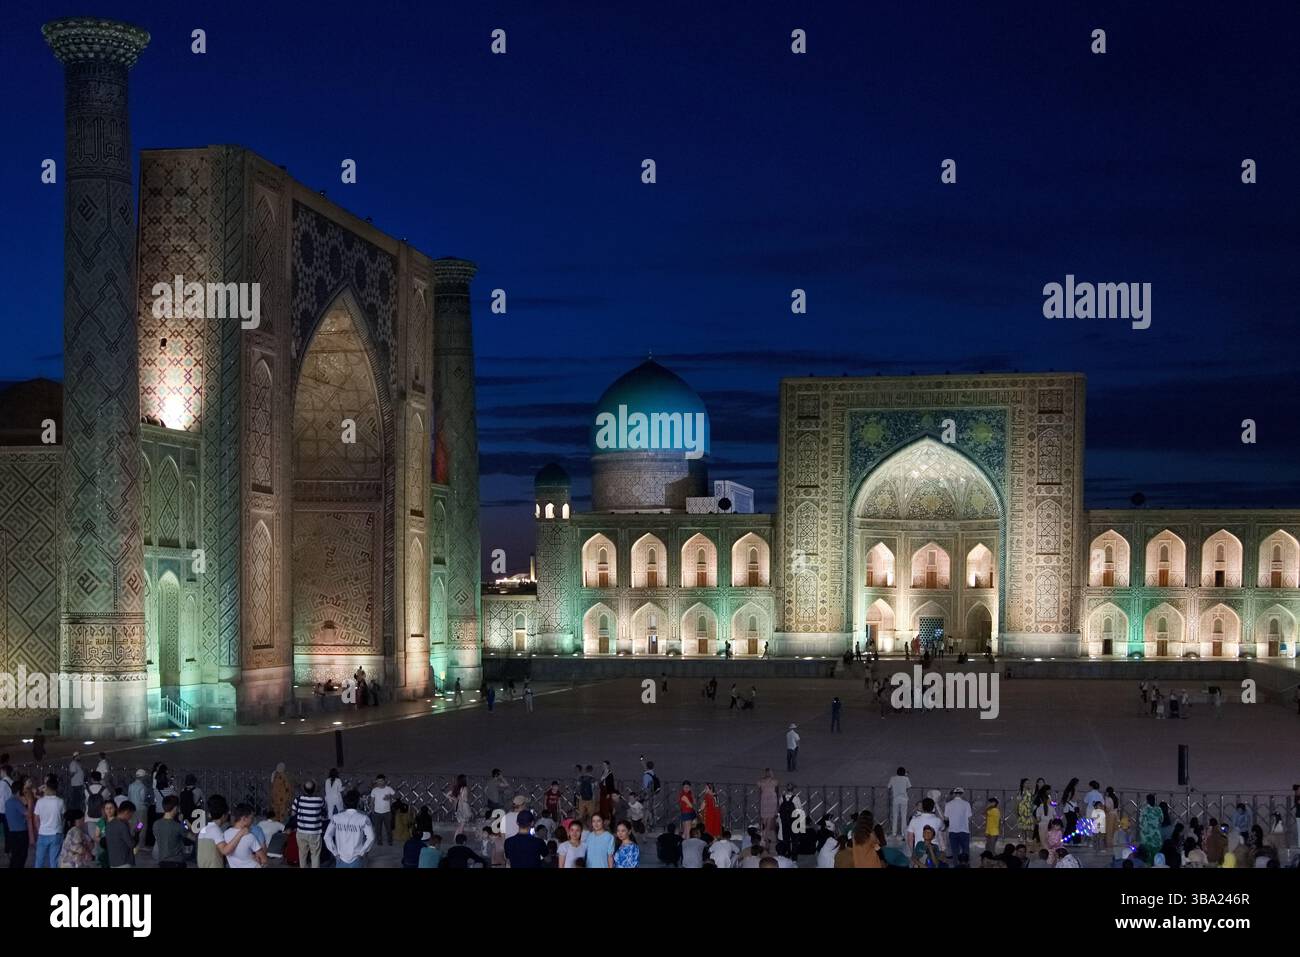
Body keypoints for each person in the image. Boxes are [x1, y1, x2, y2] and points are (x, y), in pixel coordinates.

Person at [325, 789, 375, 868]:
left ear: (344, 803)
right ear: (358, 802)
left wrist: (335, 853)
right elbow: (371, 838)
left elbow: (327, 836)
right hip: (356, 858)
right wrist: (362, 853)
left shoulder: (336, 818)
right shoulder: (364, 818)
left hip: (340, 858)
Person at [292, 779, 327, 868]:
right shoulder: (319, 800)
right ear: (314, 789)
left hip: (301, 832)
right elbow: (324, 814)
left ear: (304, 789)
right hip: (315, 833)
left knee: (302, 855)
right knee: (315, 856)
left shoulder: (298, 800)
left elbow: (293, 814)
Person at [33, 775, 66, 869]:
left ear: (46, 787)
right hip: (56, 833)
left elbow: (36, 819)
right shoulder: (60, 801)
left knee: (39, 860)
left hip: (42, 833)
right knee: (54, 861)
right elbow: (63, 816)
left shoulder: (40, 801)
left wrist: (40, 829)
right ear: (56, 788)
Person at [153, 795, 191, 868]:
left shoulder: (156, 824)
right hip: (177, 862)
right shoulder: (178, 826)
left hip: (162, 862)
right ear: (175, 808)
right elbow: (192, 837)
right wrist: (184, 823)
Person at [106, 800, 137, 868]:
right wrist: (137, 833)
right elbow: (131, 844)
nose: (131, 817)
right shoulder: (122, 825)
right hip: (124, 862)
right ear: (127, 812)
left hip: (113, 862)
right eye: (131, 814)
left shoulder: (109, 824)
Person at [945, 787, 972, 864]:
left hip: (952, 831)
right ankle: (966, 865)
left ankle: (956, 865)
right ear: (962, 794)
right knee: (965, 851)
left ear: (954, 794)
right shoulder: (966, 804)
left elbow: (946, 818)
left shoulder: (948, 804)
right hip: (964, 831)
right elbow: (969, 818)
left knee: (955, 851)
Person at [370, 774, 396, 846]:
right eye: (378, 781)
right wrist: (372, 811)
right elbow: (372, 801)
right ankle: (379, 841)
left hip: (387, 812)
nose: (379, 783)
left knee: (388, 828)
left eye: (381, 781)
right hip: (377, 812)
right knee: (378, 829)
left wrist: (390, 798)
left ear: (385, 781)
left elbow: (396, 796)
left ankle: (390, 841)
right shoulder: (374, 790)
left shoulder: (389, 789)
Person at [888, 766, 911, 838]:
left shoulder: (892, 778)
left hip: (895, 799)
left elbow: (889, 786)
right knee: (903, 817)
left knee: (895, 816)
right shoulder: (906, 778)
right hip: (904, 799)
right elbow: (909, 787)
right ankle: (903, 833)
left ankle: (894, 833)